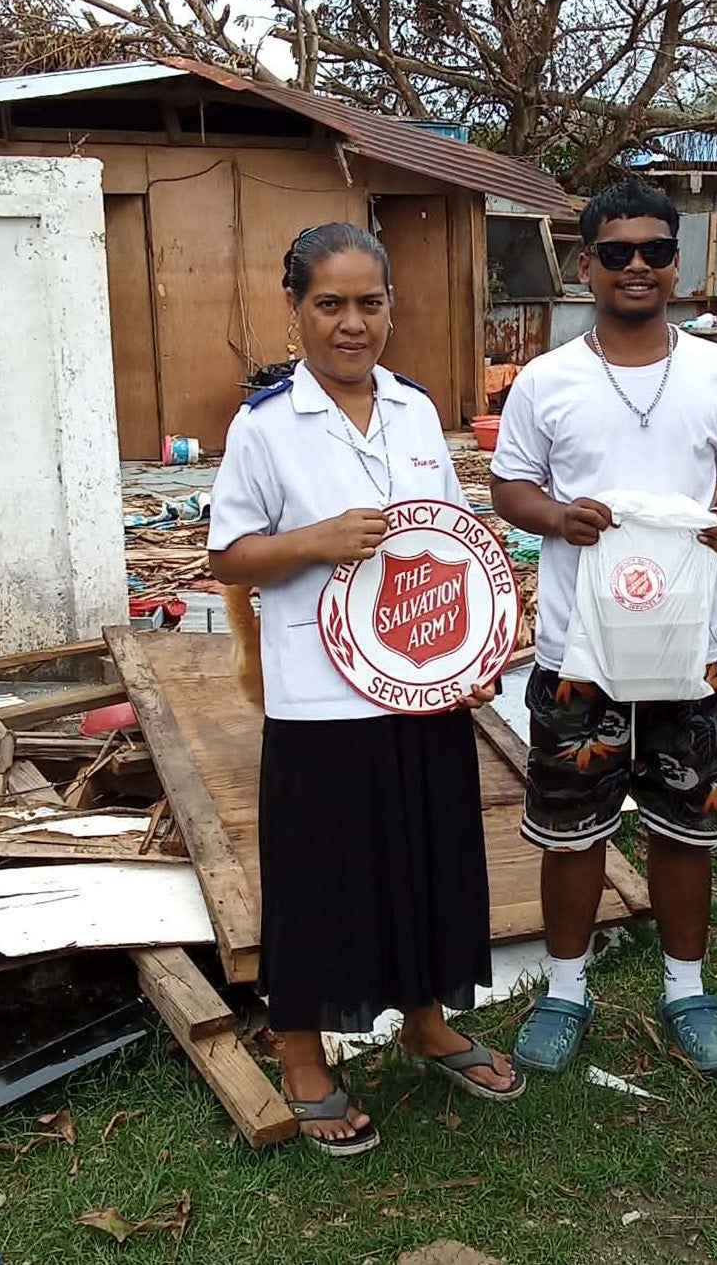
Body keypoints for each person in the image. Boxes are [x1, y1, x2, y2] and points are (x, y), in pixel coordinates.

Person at [207, 222, 524, 1158]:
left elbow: (449, 539)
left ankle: (425, 1022)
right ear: (295, 308)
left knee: (426, 859)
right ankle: (302, 1052)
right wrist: (309, 540)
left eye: (370, 303)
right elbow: (226, 552)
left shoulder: (415, 410)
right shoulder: (265, 425)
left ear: (392, 305)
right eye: (330, 304)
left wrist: (472, 652)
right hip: (320, 694)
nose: (353, 324)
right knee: (319, 872)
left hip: (421, 686)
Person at [490, 180, 717, 1075]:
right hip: (582, 651)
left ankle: (686, 989)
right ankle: (565, 991)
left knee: (687, 825)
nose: (638, 266)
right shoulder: (547, 379)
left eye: (654, 250)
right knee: (571, 829)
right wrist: (555, 518)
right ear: (586, 266)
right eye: (617, 253)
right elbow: (508, 485)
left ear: (677, 263)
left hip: (693, 649)